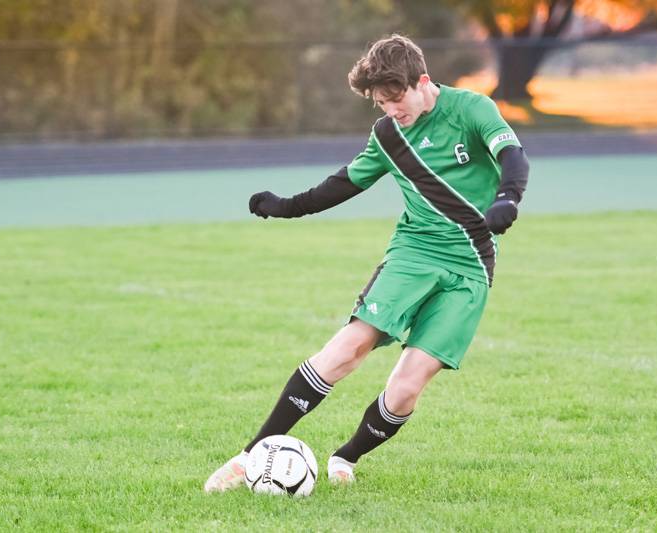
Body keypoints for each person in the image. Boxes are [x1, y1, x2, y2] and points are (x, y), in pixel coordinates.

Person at [204, 34, 529, 491]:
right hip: (414, 254)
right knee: (346, 348)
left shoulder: (473, 110)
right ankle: (248, 457)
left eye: (395, 99)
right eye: (380, 103)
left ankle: (346, 457)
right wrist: (286, 206)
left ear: (422, 81)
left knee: (408, 386)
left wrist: (507, 200)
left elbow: (513, 157)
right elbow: (341, 184)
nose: (391, 110)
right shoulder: (388, 135)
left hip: (472, 265)